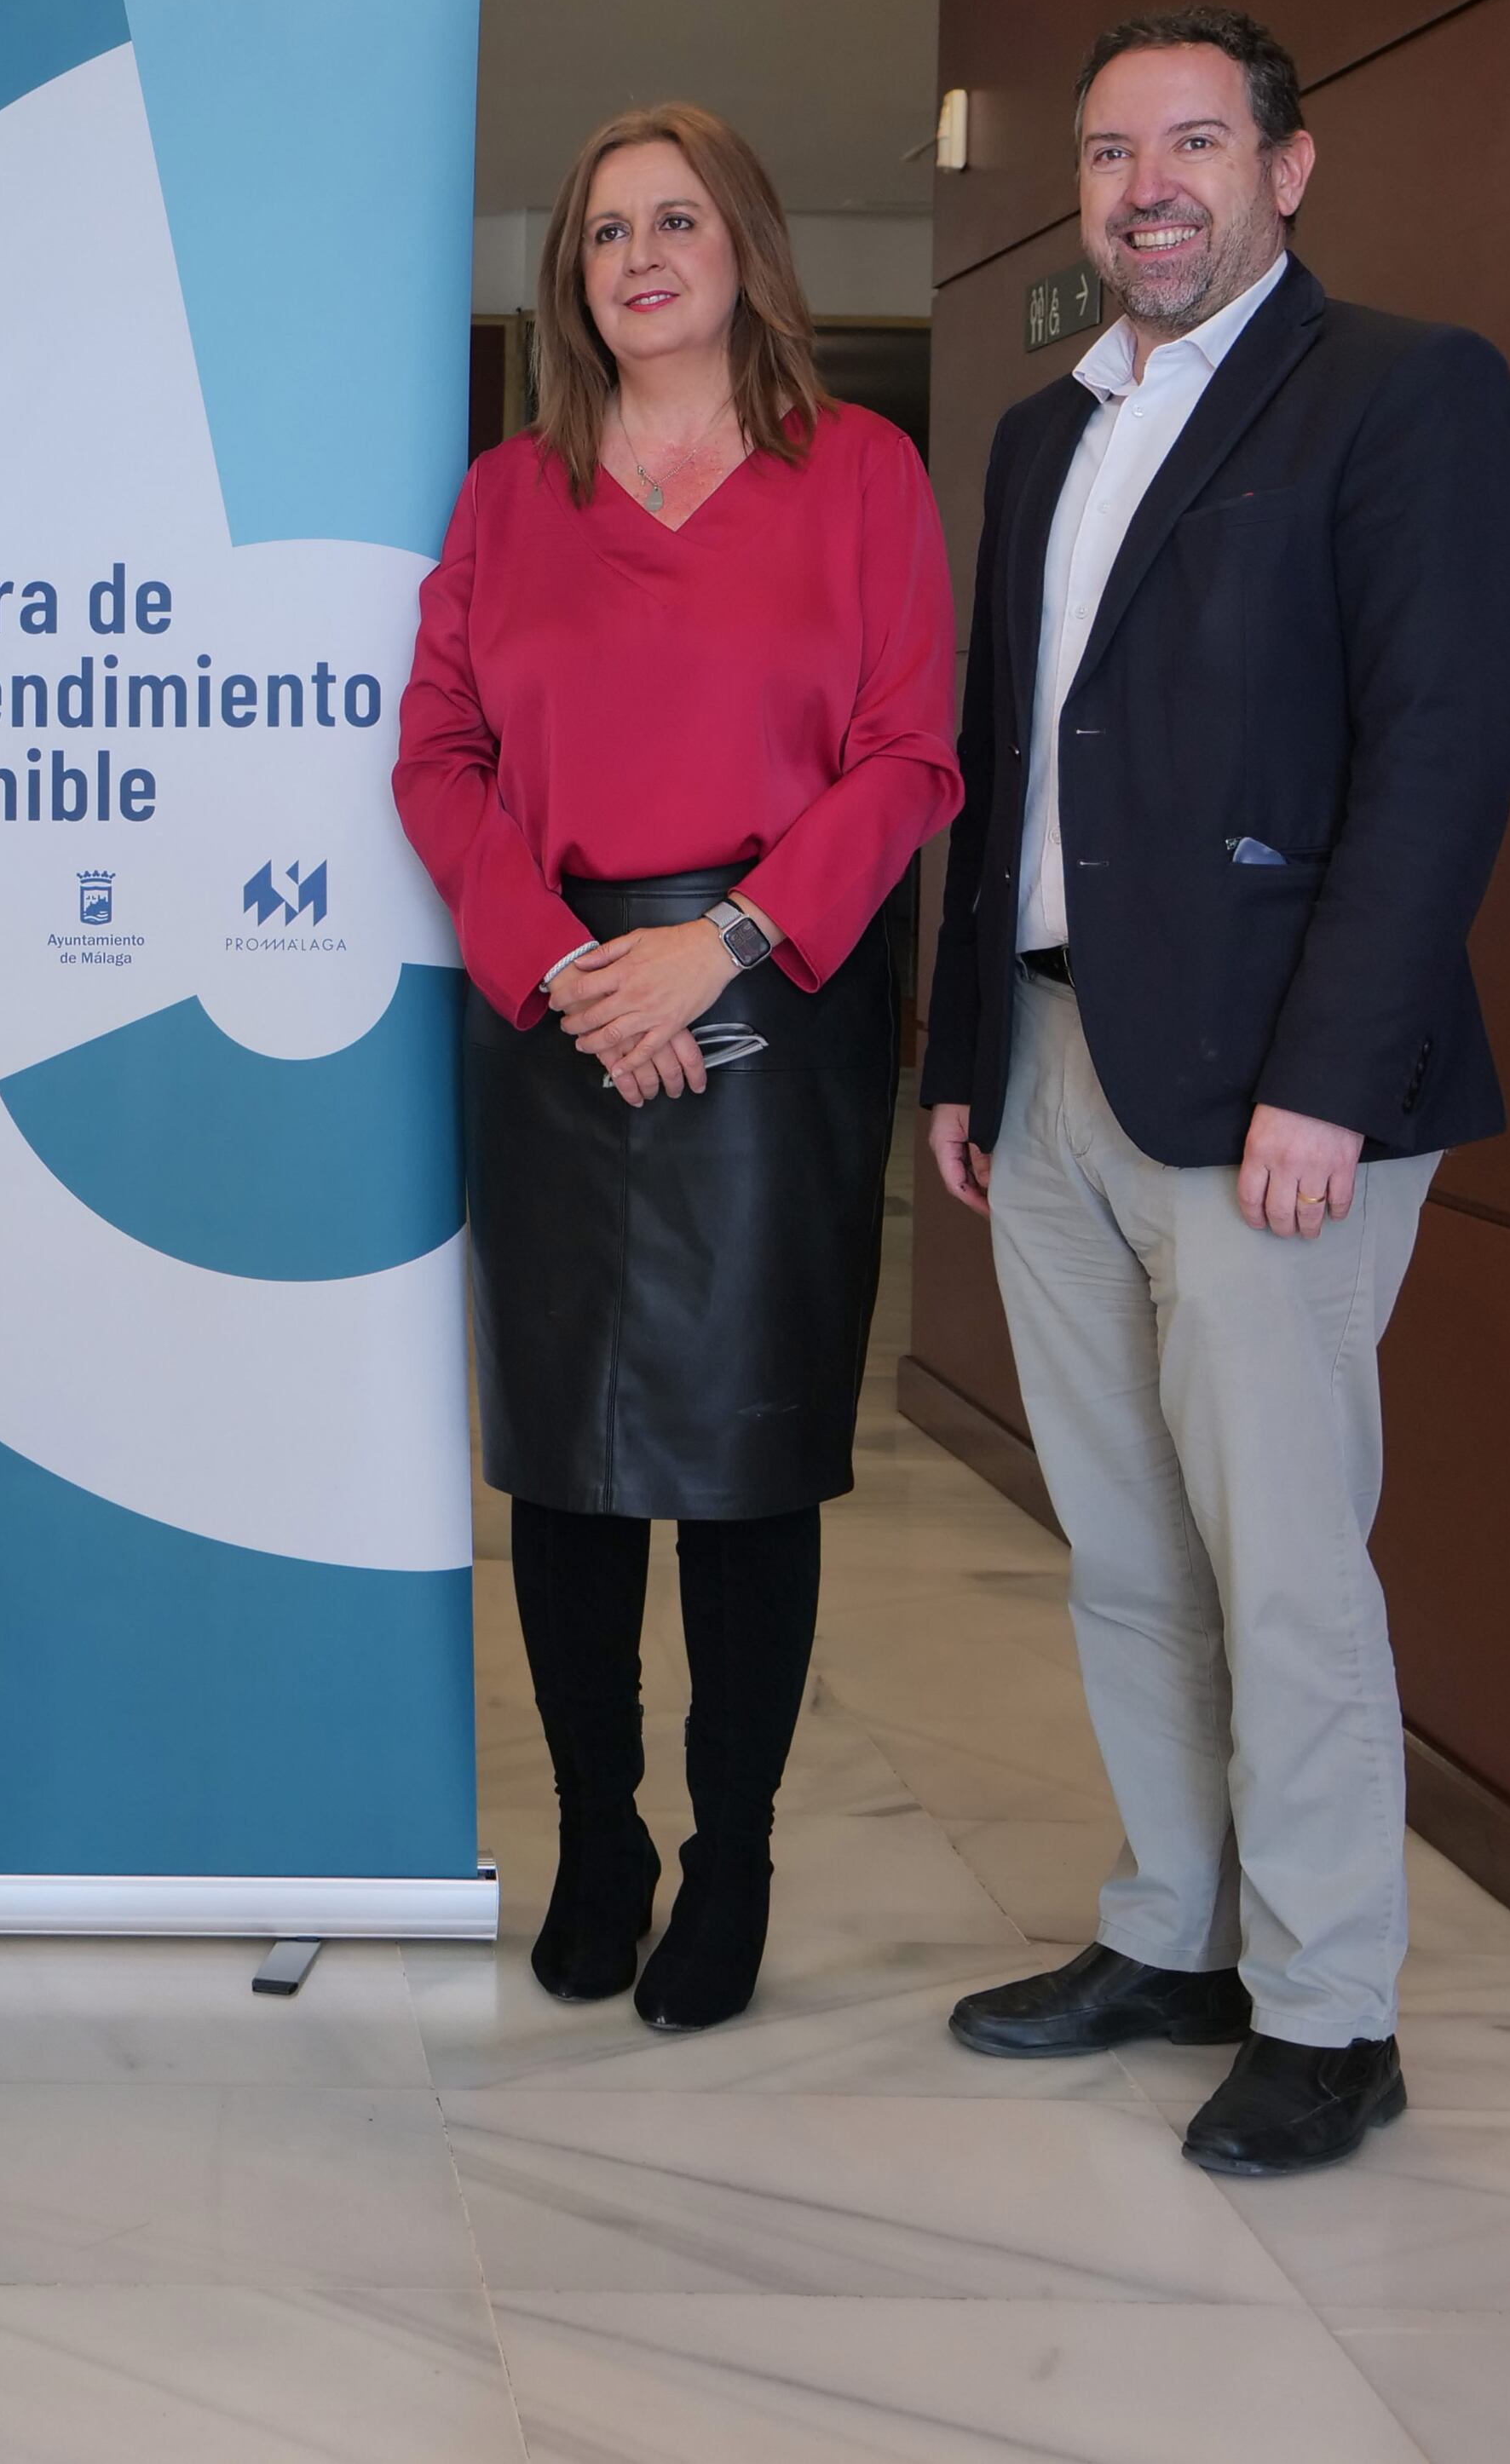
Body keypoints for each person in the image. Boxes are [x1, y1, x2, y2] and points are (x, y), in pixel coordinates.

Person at [925, 8, 1510, 2175]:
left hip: (1279, 1095)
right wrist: (962, 1054)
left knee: (1283, 1566)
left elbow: (1439, 758)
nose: (1143, 182)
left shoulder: (1399, 394)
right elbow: (1008, 773)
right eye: (1106, 150)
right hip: (1060, 1056)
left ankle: (1327, 2006)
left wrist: (1330, 1084)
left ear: (1289, 167)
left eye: (1192, 140)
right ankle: (1173, 1932)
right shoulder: (1034, 436)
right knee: (1119, 1544)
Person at [398, 103, 960, 2033]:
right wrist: (566, 966)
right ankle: (602, 1840)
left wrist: (713, 947)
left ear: (744, 249)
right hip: (553, 1015)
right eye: (605, 227)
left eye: (677, 219)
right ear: (575, 272)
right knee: (565, 1464)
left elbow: (906, 758)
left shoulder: (862, 474)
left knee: (739, 1469)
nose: (639, 254)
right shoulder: (505, 500)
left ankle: (732, 1854)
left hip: (769, 1004)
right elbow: (437, 760)